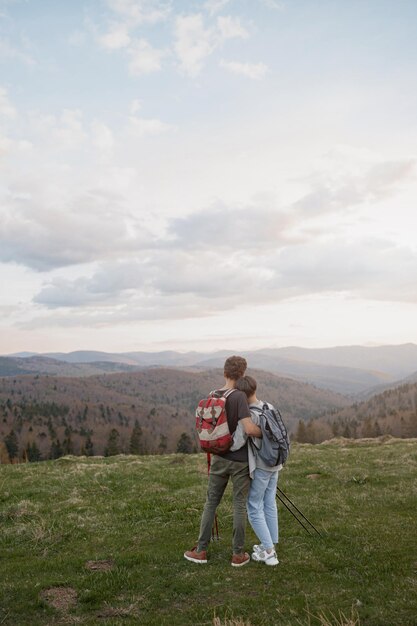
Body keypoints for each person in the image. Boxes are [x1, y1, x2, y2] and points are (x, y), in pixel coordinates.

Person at [184, 355, 262, 567]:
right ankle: (238, 554)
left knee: (211, 502)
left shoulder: (213, 394)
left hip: (218, 457)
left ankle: (200, 550)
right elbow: (248, 428)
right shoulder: (239, 397)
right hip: (239, 461)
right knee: (239, 504)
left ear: (225, 372)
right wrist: (266, 432)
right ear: (242, 374)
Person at [234, 375, 281, 566]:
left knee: (253, 507)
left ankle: (269, 553)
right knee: (269, 503)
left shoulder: (250, 415)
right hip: (276, 463)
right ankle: (270, 545)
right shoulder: (269, 407)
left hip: (262, 465)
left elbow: (237, 443)